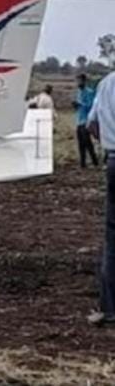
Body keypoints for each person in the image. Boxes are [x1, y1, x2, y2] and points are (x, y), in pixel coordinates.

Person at [89, 71, 115, 325]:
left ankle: (109, 308)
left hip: (113, 161)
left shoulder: (106, 84)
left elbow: (92, 125)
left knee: (112, 238)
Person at [74, 74, 99, 168]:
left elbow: (91, 106)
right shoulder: (78, 92)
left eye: (80, 81)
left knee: (87, 142)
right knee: (81, 143)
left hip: (86, 120)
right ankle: (83, 163)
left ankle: (95, 161)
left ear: (84, 81)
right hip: (79, 120)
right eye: (77, 81)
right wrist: (76, 106)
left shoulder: (89, 92)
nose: (78, 83)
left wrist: (80, 104)